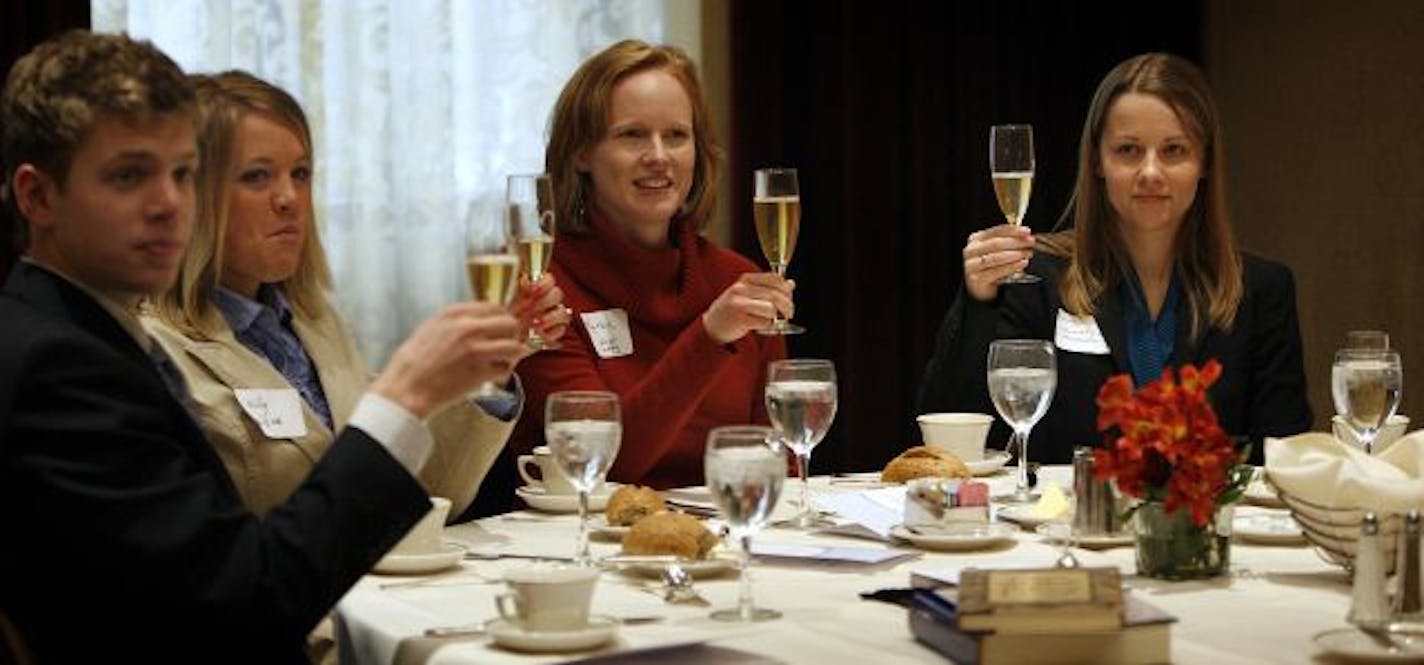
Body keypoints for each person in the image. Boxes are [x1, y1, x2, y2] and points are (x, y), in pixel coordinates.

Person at [0, 31, 528, 661]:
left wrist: (459, 386)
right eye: (129, 176)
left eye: (183, 174)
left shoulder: (94, 330)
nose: (171, 205)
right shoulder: (55, 365)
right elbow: (241, 601)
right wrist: (402, 395)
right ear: (37, 197)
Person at [142, 70, 569, 521]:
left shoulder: (317, 323)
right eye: (257, 176)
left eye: (301, 173)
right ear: (191, 193)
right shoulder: (157, 347)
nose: (289, 197)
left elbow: (426, 494)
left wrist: (492, 373)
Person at [919, 53, 1311, 465]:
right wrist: (977, 303)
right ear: (1098, 162)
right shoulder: (1037, 279)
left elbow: (1282, 460)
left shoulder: (1263, 290)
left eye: (1174, 150)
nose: (1150, 172)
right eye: (1128, 150)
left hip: (1204, 528)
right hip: (1065, 524)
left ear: (1205, 163)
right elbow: (949, 441)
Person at [515, 39, 790, 489]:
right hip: (582, 545)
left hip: (721, 542)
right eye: (632, 135)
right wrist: (710, 336)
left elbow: (780, 461)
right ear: (582, 153)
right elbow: (600, 466)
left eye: (677, 136)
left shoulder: (735, 280)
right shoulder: (544, 290)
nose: (659, 156)